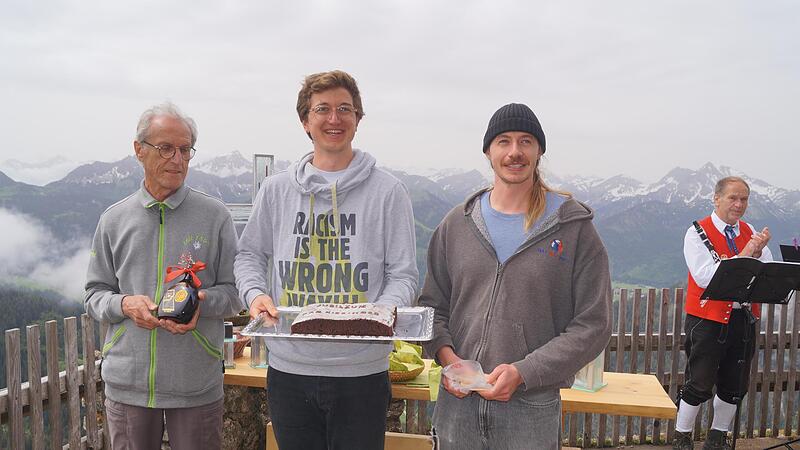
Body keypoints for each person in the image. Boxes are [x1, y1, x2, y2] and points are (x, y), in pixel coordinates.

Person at [234, 70, 418, 450]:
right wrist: (254, 295)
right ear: (305, 121)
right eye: (322, 109)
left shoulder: (388, 192)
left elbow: (403, 275)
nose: (334, 119)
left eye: (344, 109)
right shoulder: (276, 190)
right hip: (289, 368)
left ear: (357, 120)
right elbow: (249, 255)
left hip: (362, 370)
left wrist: (380, 314)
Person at [419, 103, 613, 450]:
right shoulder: (456, 225)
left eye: (525, 142)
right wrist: (451, 362)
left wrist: (524, 371)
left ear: (539, 151)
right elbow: (433, 307)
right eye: (503, 141)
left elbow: (592, 324)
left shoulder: (574, 229)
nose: (514, 152)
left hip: (531, 410)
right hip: (457, 409)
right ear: (488, 152)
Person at [85, 102, 240, 450]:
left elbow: (235, 291)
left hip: (195, 383)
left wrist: (202, 303)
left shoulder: (215, 216)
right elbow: (94, 294)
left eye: (185, 149)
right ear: (138, 150)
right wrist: (125, 304)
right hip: (128, 383)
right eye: (166, 148)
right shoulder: (113, 220)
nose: (177, 159)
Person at [672, 176, 772, 450]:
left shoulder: (749, 229)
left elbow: (766, 270)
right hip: (707, 319)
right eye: (733, 198)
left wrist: (757, 253)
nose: (739, 204)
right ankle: (682, 435)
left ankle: (718, 437)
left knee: (734, 383)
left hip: (743, 318)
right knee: (699, 382)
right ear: (716, 199)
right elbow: (706, 277)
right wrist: (749, 250)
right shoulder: (697, 231)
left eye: (744, 199)